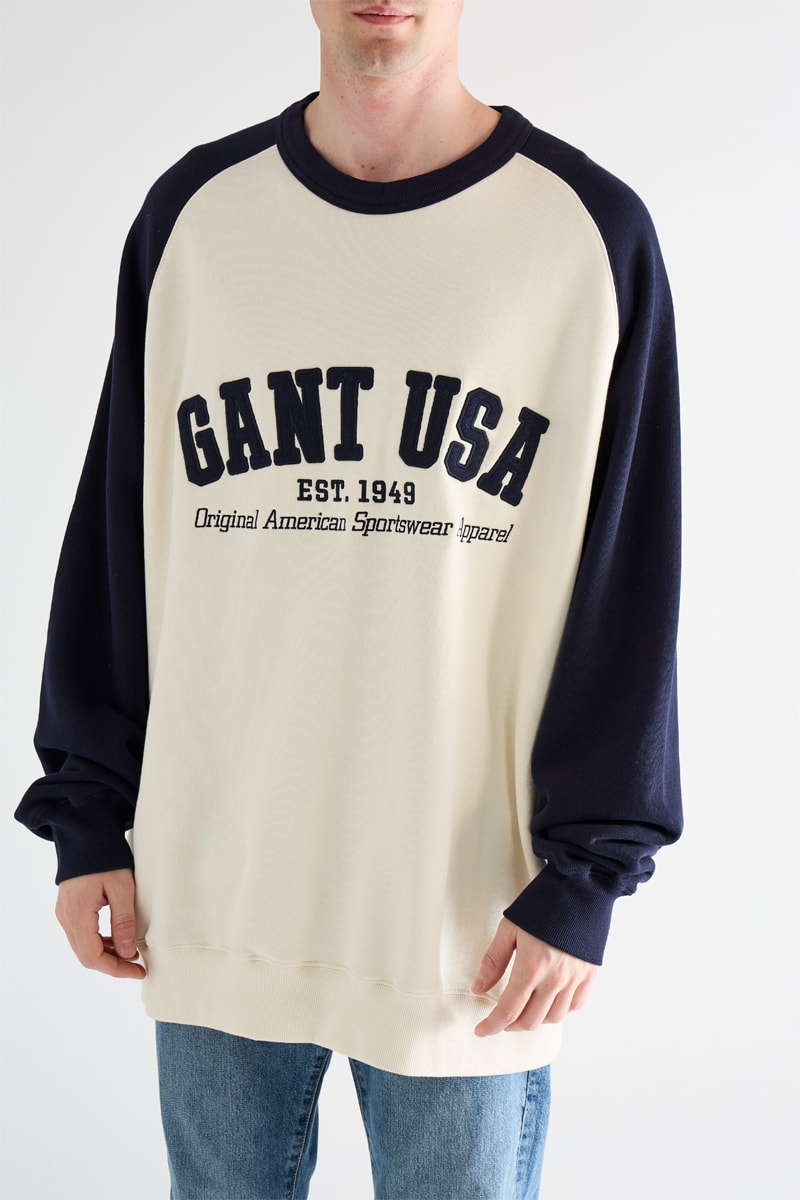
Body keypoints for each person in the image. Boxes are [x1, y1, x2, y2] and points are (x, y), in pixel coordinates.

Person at [15, 2, 682, 1196]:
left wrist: (587, 872)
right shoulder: (197, 218)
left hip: (468, 919)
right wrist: (87, 811)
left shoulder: (583, 232)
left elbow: (625, 580)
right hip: (214, 890)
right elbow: (120, 527)